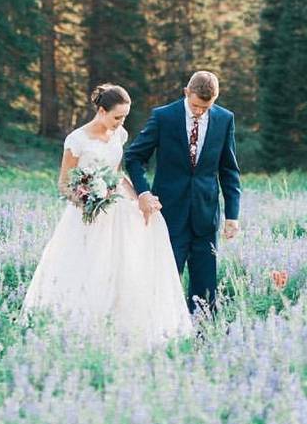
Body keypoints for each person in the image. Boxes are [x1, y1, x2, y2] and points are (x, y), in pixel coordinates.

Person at [21, 83, 193, 348]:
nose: (121, 122)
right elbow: (64, 184)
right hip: (87, 212)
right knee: (86, 268)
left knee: (124, 263)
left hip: (117, 208)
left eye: (124, 117)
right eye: (116, 117)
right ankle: (78, 328)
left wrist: (140, 199)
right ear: (101, 110)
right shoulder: (76, 140)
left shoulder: (119, 135)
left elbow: (118, 174)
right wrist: (89, 200)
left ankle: (121, 327)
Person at [124, 71, 241, 316]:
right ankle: (163, 336)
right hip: (168, 214)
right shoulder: (163, 117)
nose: (200, 112)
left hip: (206, 215)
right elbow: (134, 157)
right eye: (196, 106)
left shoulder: (225, 119)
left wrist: (232, 215)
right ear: (186, 92)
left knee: (205, 288)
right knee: (164, 281)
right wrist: (143, 192)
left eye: (206, 107)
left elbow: (229, 171)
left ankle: (203, 339)